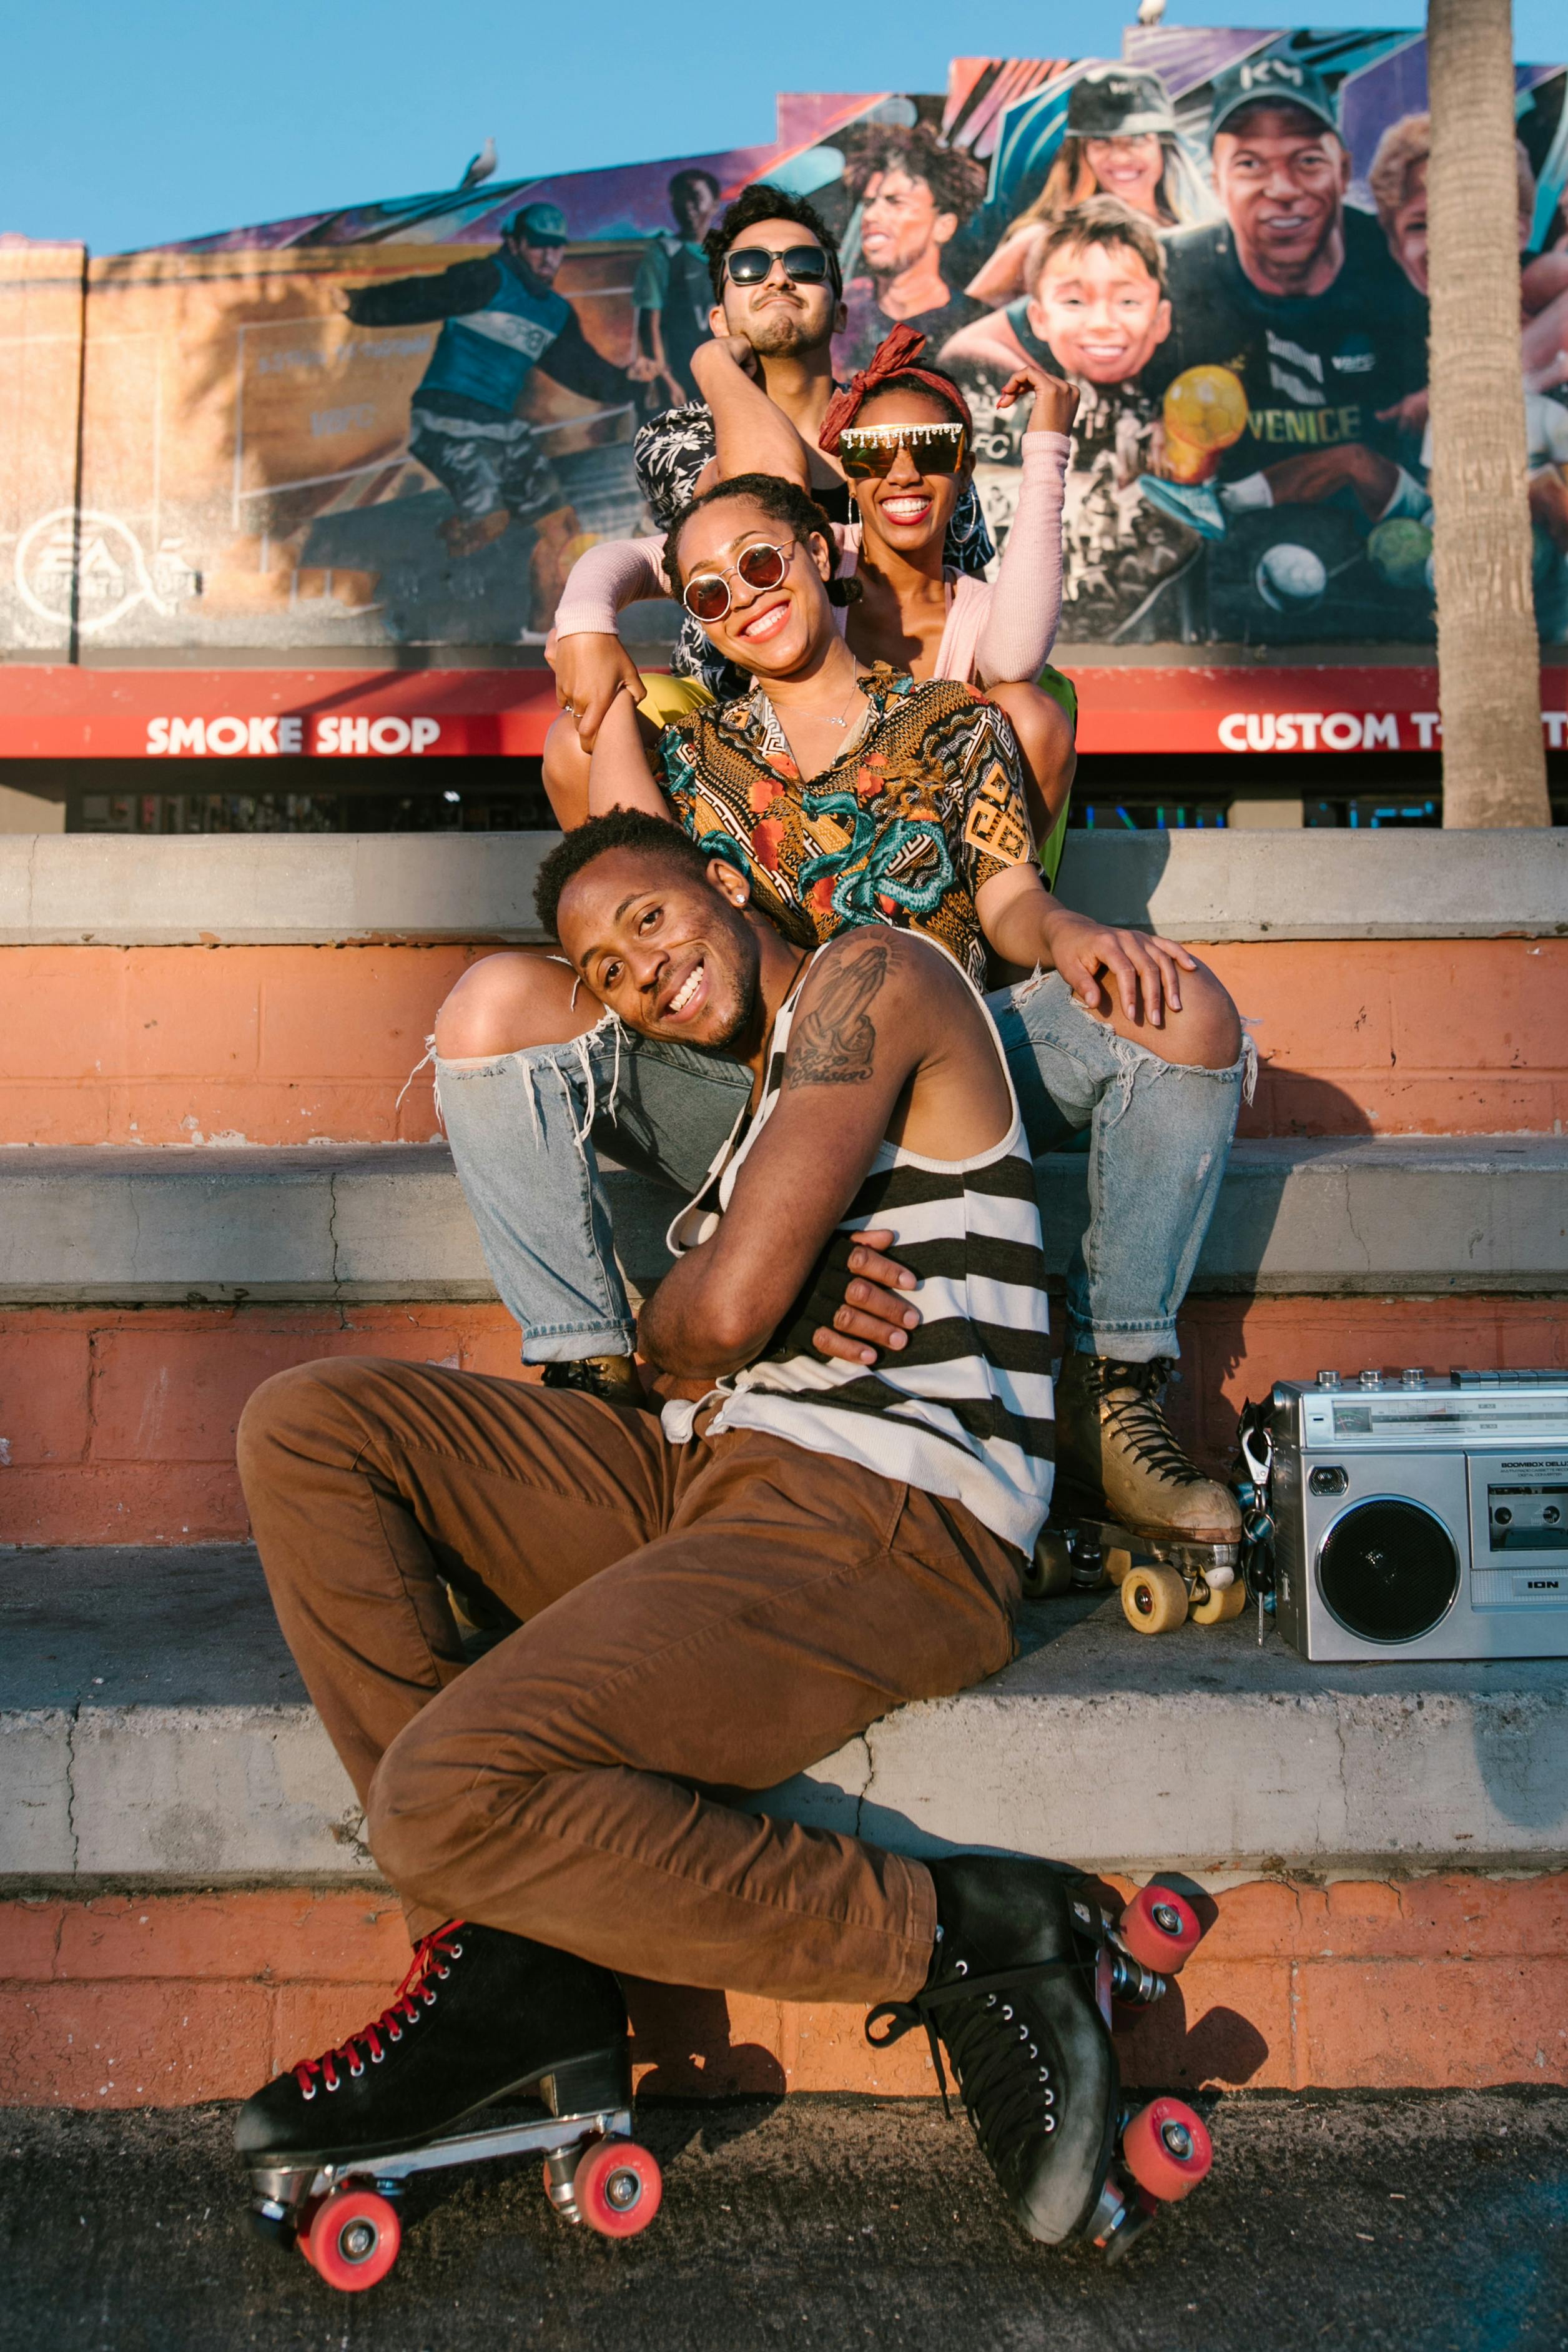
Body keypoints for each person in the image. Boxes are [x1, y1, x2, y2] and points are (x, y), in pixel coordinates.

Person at [232, 808, 1139, 2254]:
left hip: (886, 1512)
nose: (638, 973)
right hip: (704, 1480)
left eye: (647, 922)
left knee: (437, 1794)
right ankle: (506, 1963)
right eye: (601, 971)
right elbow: (693, 1340)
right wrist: (717, 1313)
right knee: (310, 1426)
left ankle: (970, 1934)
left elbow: (708, 1319)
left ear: (722, 886)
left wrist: (724, 1307)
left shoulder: (874, 977)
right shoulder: (758, 1128)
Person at [435, 469, 1251, 1553]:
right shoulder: (691, 752)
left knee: (1182, 1006)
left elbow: (1007, 898)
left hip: (935, 1098)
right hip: (745, 1103)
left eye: (761, 562)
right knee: (489, 1002)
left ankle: (1111, 1391)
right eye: (709, 597)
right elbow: (642, 882)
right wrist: (603, 655)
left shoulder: (953, 724)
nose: (744, 598)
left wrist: (1071, 937)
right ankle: (591, 1384)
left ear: (823, 551)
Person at [545, 325, 1080, 875]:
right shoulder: (799, 557)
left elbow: (1014, 661)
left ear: (963, 470)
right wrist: (586, 625)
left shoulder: (980, 613)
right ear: (847, 474)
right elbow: (635, 561)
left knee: (1037, 707)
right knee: (581, 734)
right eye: (871, 454)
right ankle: (640, 926)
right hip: (773, 823)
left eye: (932, 449)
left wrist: (1045, 454)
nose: (903, 474)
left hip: (924, 865)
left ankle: (1003, 944)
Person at [1135, 57, 1428, 563]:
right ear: (1216, 182)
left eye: (1307, 161)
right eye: (1250, 164)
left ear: (1343, 171)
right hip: (1220, 579)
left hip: (1384, 569)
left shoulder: (1399, 263)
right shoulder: (1169, 274)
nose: (1284, 190)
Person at [343, 200, 657, 624]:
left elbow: (583, 373)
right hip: (446, 419)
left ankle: (545, 632)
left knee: (562, 528)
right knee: (489, 522)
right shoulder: (487, 277)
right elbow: (420, 296)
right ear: (514, 244)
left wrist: (632, 381)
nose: (548, 258)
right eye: (537, 247)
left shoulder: (554, 313)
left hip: (501, 427)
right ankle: (405, 568)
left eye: (556, 248)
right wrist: (356, 303)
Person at [942, 202, 1190, 639]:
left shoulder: (1177, 415)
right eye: (1074, 300)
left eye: (1128, 300)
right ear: (1036, 318)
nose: (1101, 323)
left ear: (1161, 319)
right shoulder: (995, 394)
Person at [967, 66, 1206, 310]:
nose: (1122, 157)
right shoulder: (1042, 237)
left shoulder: (1195, 237)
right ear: (1081, 153)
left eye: (1138, 139)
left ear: (1163, 147)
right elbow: (962, 321)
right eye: (1101, 142)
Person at [835, 125, 989, 376]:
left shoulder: (976, 326)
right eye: (869, 203)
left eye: (895, 202)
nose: (871, 215)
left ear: (943, 226)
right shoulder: (840, 318)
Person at [632, 168, 724, 408]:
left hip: (726, 374)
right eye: (679, 199)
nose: (687, 206)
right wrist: (668, 380)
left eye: (695, 197)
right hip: (682, 379)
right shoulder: (663, 252)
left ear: (714, 203)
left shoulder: (730, 252)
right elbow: (649, 322)